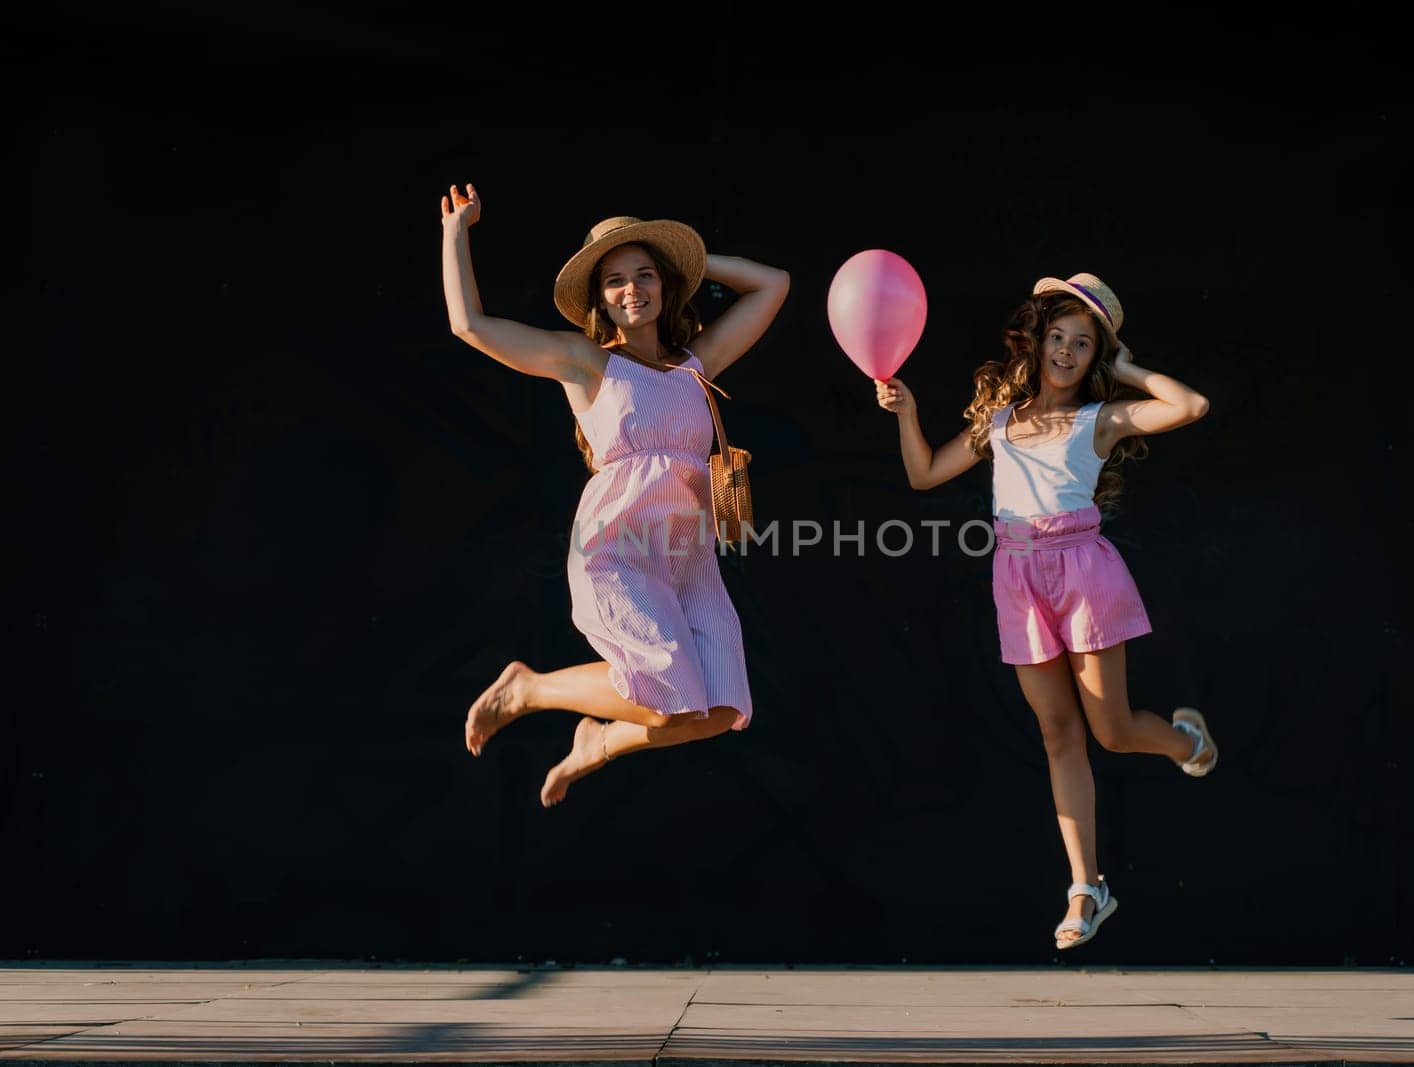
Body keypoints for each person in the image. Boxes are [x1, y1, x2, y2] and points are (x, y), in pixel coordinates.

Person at [873, 272, 1217, 950]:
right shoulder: (1000, 419)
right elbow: (922, 474)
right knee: (1059, 735)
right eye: (1057, 336)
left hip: (1083, 573)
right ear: (1035, 341)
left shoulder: (1101, 419)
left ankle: (1189, 742)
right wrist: (906, 413)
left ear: (1095, 357)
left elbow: (1193, 405)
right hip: (1017, 576)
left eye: (1082, 343)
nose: (1065, 351)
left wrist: (1130, 366)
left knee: (1111, 730)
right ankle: (1087, 887)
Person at [440, 183, 789, 807]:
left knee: (716, 708)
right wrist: (455, 233)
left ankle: (595, 746)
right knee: (660, 694)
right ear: (599, 298)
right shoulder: (585, 362)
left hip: (686, 559)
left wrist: (690, 262)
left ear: (666, 285)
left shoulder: (695, 364)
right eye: (616, 279)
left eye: (647, 274)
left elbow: (774, 284)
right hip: (618, 547)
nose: (633, 289)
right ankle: (527, 690)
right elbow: (468, 326)